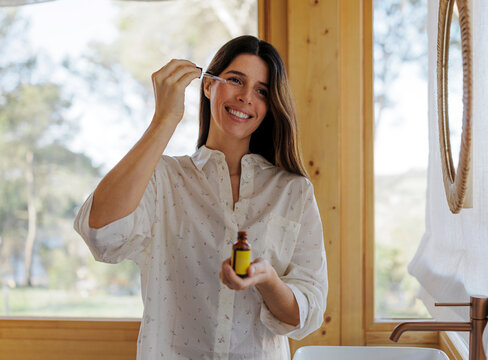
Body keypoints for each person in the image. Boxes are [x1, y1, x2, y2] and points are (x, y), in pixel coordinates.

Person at [74, 35, 327, 360]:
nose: (246, 97)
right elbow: (101, 235)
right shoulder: (163, 179)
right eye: (236, 80)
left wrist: (268, 280)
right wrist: (164, 119)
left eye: (261, 91)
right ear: (208, 85)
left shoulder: (294, 191)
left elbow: (307, 314)